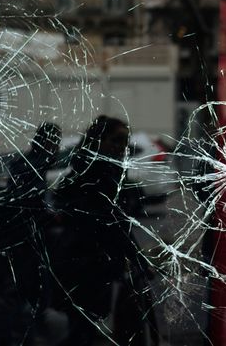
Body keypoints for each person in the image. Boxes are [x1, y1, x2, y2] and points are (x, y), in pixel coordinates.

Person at [51, 116, 157, 346]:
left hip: (97, 262)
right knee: (84, 328)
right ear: (98, 142)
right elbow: (111, 223)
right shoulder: (94, 175)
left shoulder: (107, 172)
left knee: (89, 327)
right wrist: (136, 258)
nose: (122, 147)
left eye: (125, 141)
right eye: (116, 140)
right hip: (86, 263)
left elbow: (119, 222)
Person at [0, 122, 62, 346]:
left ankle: (12, 334)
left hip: (19, 236)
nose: (55, 146)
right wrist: (48, 217)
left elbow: (16, 201)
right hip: (21, 238)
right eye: (53, 141)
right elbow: (25, 204)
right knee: (20, 290)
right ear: (44, 141)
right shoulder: (33, 165)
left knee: (23, 289)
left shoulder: (30, 163)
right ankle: (2, 335)